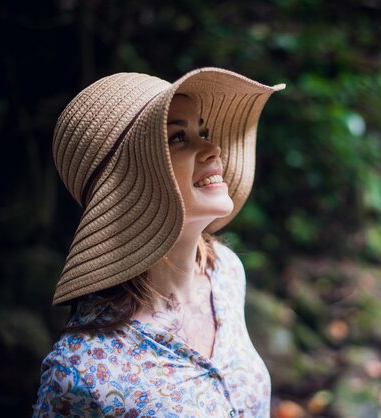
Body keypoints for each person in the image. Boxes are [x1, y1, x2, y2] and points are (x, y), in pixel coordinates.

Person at [33, 68, 285, 417]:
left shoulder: (225, 273)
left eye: (204, 131)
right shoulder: (80, 371)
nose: (213, 148)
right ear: (131, 181)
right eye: (178, 138)